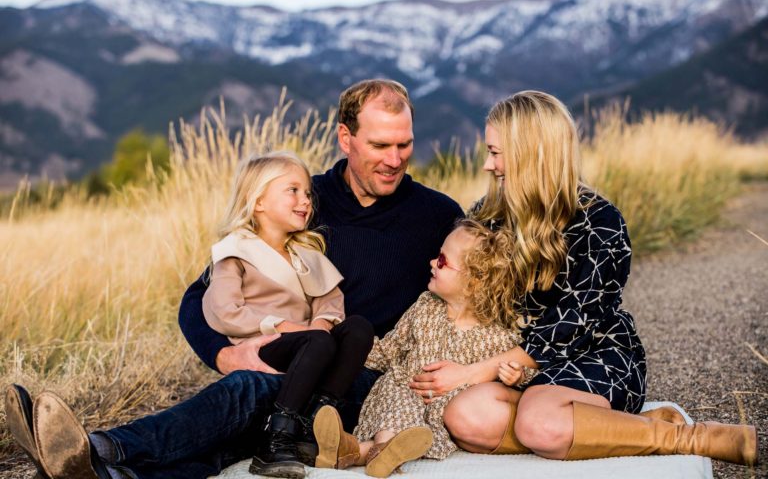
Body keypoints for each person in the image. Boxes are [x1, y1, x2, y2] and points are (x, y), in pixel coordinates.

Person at [5, 79, 463, 479]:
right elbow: (198, 297)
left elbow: (475, 287)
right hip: (293, 358)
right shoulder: (303, 200)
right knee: (239, 431)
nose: (395, 159)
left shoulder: (437, 215)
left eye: (404, 144)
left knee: (251, 393)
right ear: (346, 138)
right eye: (380, 145)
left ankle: (102, 447)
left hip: (363, 378)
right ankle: (108, 473)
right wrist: (224, 353)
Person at [428, 90, 757, 465]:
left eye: (496, 152)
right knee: (465, 417)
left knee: (538, 418)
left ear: (532, 153)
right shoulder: (487, 217)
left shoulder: (601, 224)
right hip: (512, 369)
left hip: (595, 355)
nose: (488, 165)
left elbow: (569, 326)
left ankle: (689, 437)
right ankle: (608, 429)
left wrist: (472, 372)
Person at [312, 219, 537, 478]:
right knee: (399, 395)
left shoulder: (497, 335)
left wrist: (516, 376)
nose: (432, 262)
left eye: (442, 261)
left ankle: (352, 450)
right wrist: (346, 346)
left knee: (413, 427)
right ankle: (382, 452)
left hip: (437, 414)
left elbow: (521, 373)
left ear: (473, 282)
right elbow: (390, 349)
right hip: (403, 389)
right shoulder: (426, 306)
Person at [201, 151, 374, 478]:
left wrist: (321, 324)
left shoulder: (305, 252)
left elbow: (330, 300)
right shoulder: (235, 251)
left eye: (307, 193)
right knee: (317, 343)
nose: (305, 200)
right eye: (292, 190)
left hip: (310, 346)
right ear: (259, 201)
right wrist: (280, 325)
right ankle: (275, 438)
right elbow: (223, 310)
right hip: (265, 344)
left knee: (358, 328)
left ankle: (314, 423)